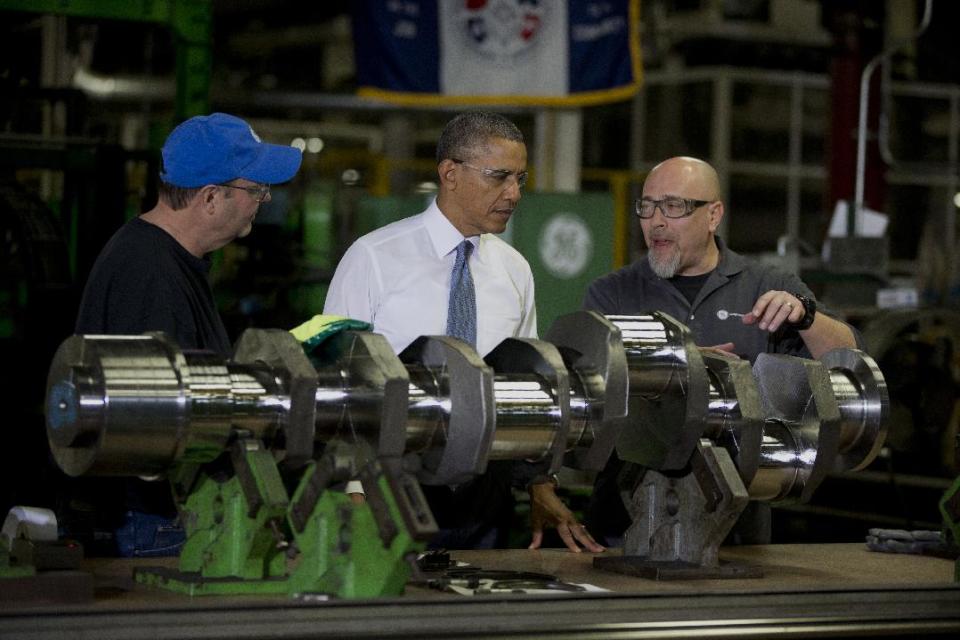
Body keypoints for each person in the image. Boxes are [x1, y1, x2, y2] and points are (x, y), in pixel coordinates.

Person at [324, 111, 602, 553]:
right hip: (391, 487)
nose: (513, 194)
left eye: (520, 179)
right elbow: (341, 381)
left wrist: (537, 484)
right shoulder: (373, 259)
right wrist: (354, 487)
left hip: (482, 496)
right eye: (498, 178)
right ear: (450, 174)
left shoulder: (514, 270)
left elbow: (526, 387)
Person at [582, 156, 863, 546]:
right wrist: (678, 366)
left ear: (713, 215)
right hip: (626, 516)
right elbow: (591, 393)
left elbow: (846, 361)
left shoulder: (768, 285)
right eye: (646, 206)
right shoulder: (613, 293)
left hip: (737, 522)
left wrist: (806, 317)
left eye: (674, 206)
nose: (656, 221)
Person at [70, 112, 302, 556]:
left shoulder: (163, 258)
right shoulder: (150, 274)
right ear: (212, 198)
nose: (263, 200)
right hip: (154, 520)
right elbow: (159, 423)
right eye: (256, 189)